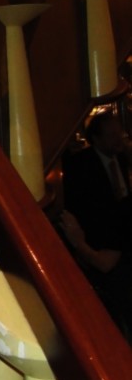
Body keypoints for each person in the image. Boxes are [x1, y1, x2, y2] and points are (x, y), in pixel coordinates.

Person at [59, 111, 132, 335]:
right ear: (96, 139)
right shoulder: (80, 165)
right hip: (104, 243)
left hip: (117, 248)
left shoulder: (122, 159)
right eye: (112, 135)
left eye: (119, 133)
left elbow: (106, 262)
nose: (119, 139)